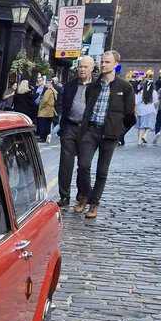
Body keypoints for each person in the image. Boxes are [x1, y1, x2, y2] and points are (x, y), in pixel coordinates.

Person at [70, 49, 136, 221]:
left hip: (109, 134)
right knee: (83, 165)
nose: (103, 64)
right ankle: (85, 195)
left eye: (107, 62)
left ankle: (94, 203)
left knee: (102, 172)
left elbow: (130, 116)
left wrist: (118, 132)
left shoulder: (125, 87)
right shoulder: (93, 86)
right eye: (102, 61)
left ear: (115, 64)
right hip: (91, 130)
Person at [55, 55, 96, 207]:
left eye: (85, 67)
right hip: (70, 126)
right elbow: (61, 102)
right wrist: (62, 119)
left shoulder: (96, 86)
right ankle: (64, 195)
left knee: (84, 164)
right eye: (80, 66)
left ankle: (82, 193)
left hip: (88, 129)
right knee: (66, 163)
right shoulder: (70, 85)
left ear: (92, 68)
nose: (82, 70)